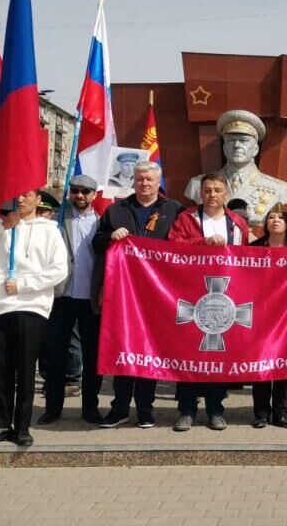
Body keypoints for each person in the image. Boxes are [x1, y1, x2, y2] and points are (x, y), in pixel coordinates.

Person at [0, 190, 68, 447]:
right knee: (0, 369)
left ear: (37, 200)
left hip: (32, 307)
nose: (21, 200)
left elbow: (59, 270)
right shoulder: (0, 229)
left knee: (25, 368)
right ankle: (0, 424)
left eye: (27, 196)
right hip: (0, 307)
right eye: (17, 196)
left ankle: (22, 427)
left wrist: (23, 284)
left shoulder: (49, 230)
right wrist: (2, 228)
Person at [94, 161, 184, 429]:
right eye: (140, 179)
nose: (144, 183)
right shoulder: (116, 210)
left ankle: (145, 409)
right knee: (123, 350)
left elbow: (184, 247)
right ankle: (119, 408)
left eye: (150, 180)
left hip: (158, 294)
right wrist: (111, 236)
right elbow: (96, 244)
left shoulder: (174, 210)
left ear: (159, 183)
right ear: (133, 181)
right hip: (122, 294)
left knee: (149, 351)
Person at [169, 172, 245, 431]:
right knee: (189, 352)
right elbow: (173, 247)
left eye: (217, 190)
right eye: (208, 190)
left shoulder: (236, 223)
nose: (213, 195)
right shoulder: (186, 218)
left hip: (225, 295)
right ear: (200, 193)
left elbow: (248, 258)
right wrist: (203, 243)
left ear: (226, 194)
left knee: (218, 354)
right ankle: (186, 410)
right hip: (192, 296)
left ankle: (216, 409)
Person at [38, 175, 104, 426]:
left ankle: (90, 408)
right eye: (75, 190)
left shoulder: (102, 223)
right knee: (56, 355)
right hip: (61, 296)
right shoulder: (56, 220)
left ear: (93, 195)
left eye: (85, 191)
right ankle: (52, 408)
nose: (80, 195)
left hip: (90, 298)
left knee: (92, 356)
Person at [249, 207, 287, 428]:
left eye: (280, 217)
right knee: (260, 364)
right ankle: (261, 412)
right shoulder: (253, 249)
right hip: (260, 315)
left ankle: (280, 412)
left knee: (282, 364)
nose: (275, 221)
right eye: (271, 217)